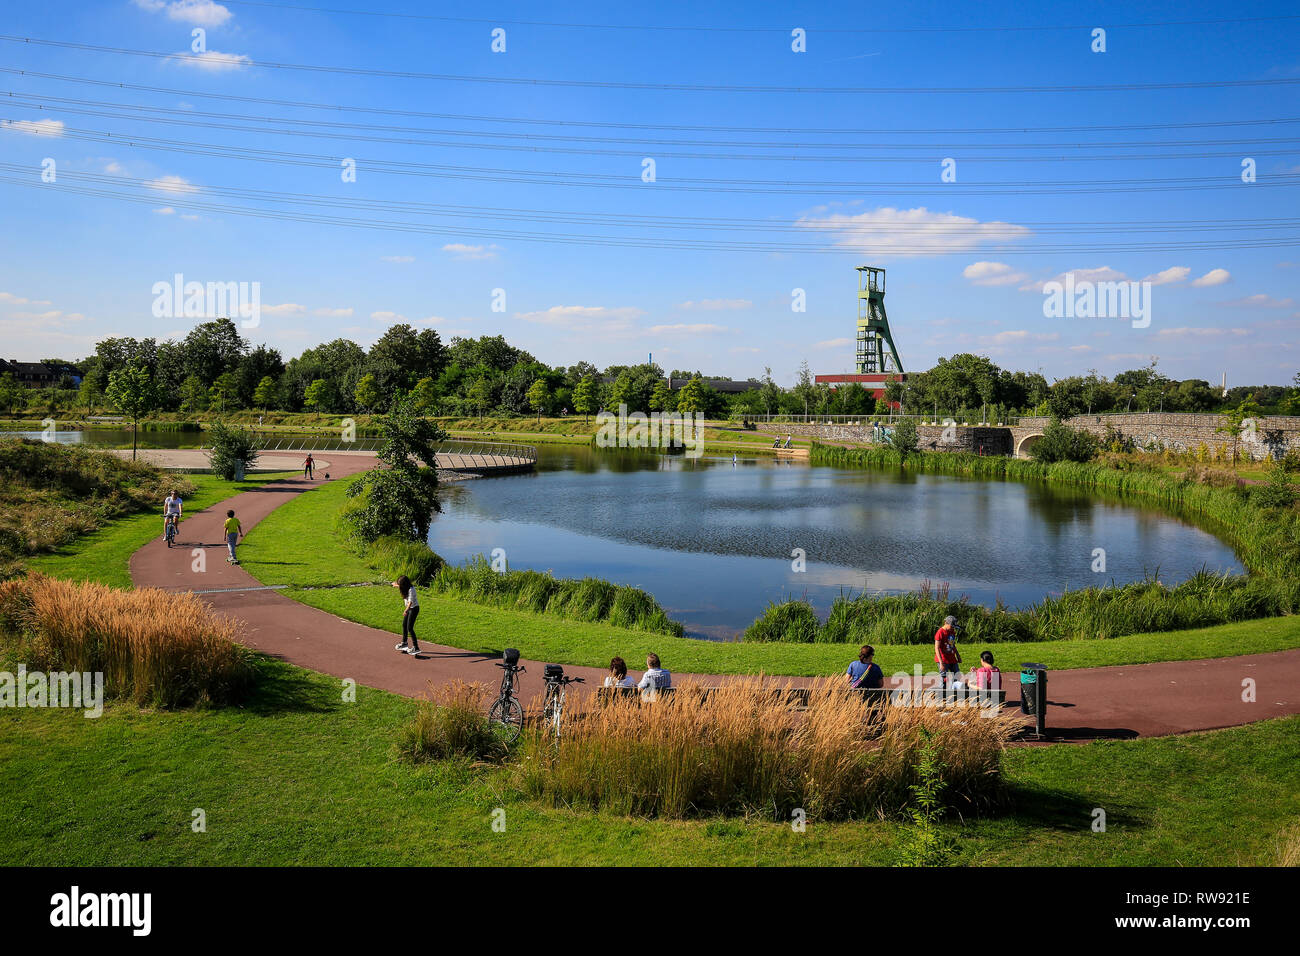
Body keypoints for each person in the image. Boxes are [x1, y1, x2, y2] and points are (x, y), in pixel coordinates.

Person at [393, 575, 421, 655]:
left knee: (410, 628)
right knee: (404, 625)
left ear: (404, 584)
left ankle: (416, 647)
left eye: (400, 585)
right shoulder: (405, 587)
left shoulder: (411, 590)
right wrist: (395, 585)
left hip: (413, 609)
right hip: (409, 609)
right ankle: (404, 643)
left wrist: (406, 610)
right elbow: (399, 585)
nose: (400, 586)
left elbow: (410, 602)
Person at [934, 615, 962, 687]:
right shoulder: (940, 632)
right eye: (952, 626)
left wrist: (958, 655)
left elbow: (952, 644)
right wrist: (941, 662)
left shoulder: (952, 631)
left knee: (957, 676)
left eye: (954, 627)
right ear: (946, 623)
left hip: (952, 658)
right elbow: (937, 648)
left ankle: (954, 692)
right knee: (944, 678)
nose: (953, 628)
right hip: (943, 659)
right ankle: (941, 695)